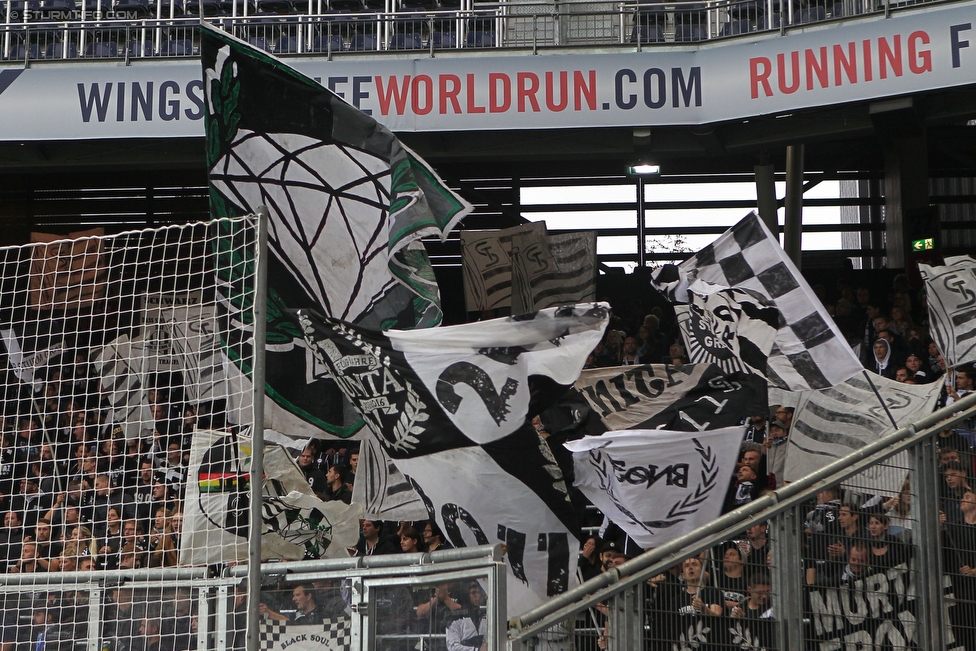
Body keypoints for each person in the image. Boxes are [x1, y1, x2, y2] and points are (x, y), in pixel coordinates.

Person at [446, 583, 488, 651]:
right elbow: (452, 647)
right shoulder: (455, 618)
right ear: (467, 595)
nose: (477, 596)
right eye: (473, 593)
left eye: (478, 592)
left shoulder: (485, 616)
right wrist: (476, 650)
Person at [259, 584, 326, 624]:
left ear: (308, 596)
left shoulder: (322, 615)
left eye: (297, 595)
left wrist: (269, 613)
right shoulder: (295, 615)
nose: (294, 599)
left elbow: (296, 628)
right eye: (294, 596)